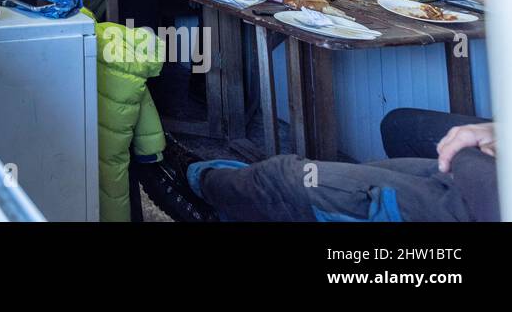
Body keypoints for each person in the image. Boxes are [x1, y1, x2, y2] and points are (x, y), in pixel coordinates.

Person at [188, 119, 498, 222]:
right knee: (399, 124)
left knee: (283, 178)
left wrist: (467, 158)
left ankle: (195, 180)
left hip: (478, 198)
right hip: (479, 170)